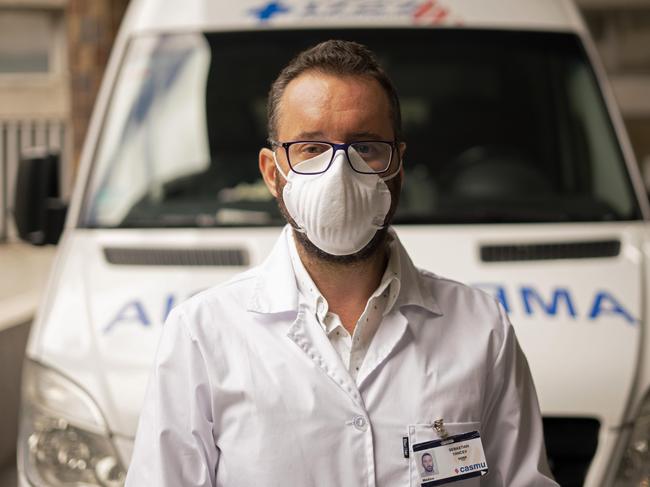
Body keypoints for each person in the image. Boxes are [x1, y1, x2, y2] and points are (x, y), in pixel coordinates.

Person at [125, 40, 558, 486]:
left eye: (366, 147)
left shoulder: (481, 330)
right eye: (312, 148)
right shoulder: (203, 336)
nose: (340, 174)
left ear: (398, 168)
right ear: (274, 174)